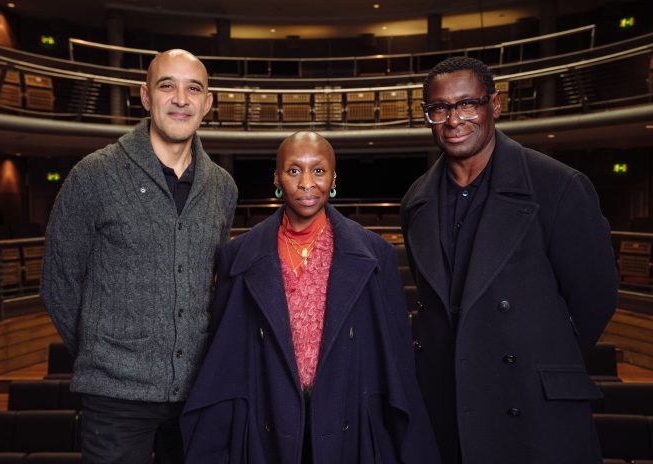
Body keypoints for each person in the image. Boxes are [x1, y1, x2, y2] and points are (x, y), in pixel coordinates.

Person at [400, 56, 618, 464]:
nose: (453, 119)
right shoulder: (416, 200)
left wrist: (535, 353)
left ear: (495, 105)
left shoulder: (558, 185)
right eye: (440, 108)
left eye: (467, 104)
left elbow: (596, 296)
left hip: (534, 405)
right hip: (449, 403)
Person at [180, 131, 440, 463]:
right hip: (265, 419)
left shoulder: (378, 255)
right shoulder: (237, 255)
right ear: (277, 178)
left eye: (318, 170)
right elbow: (223, 363)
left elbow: (397, 362)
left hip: (350, 418)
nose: (306, 183)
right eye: (293, 170)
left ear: (333, 178)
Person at [41, 49, 237, 464]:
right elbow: (58, 281)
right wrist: (102, 353)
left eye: (193, 89)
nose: (181, 99)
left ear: (207, 103)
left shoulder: (223, 187)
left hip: (196, 394)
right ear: (145, 97)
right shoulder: (94, 175)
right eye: (167, 86)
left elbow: (212, 283)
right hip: (114, 400)